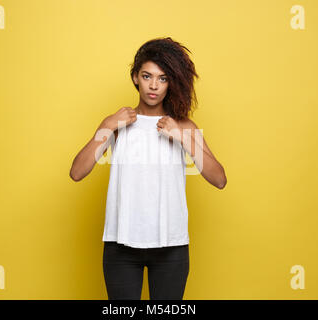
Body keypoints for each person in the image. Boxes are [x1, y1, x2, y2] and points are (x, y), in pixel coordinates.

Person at [70, 37, 227, 300]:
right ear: (135, 77)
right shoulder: (117, 123)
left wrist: (182, 137)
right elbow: (77, 172)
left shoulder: (183, 126)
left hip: (171, 246)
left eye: (163, 78)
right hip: (120, 244)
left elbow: (219, 179)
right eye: (147, 76)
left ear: (171, 82)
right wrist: (108, 126)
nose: (154, 86)